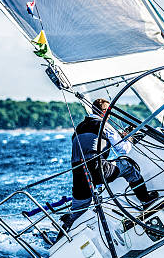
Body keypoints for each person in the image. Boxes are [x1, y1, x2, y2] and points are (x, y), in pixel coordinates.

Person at [63, 99, 158, 231]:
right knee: (128, 165)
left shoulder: (78, 128)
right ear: (104, 112)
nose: (110, 115)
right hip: (96, 169)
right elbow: (123, 149)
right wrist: (129, 138)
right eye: (109, 112)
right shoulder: (103, 125)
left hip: (78, 173)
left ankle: (63, 232)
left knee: (79, 209)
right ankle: (146, 200)